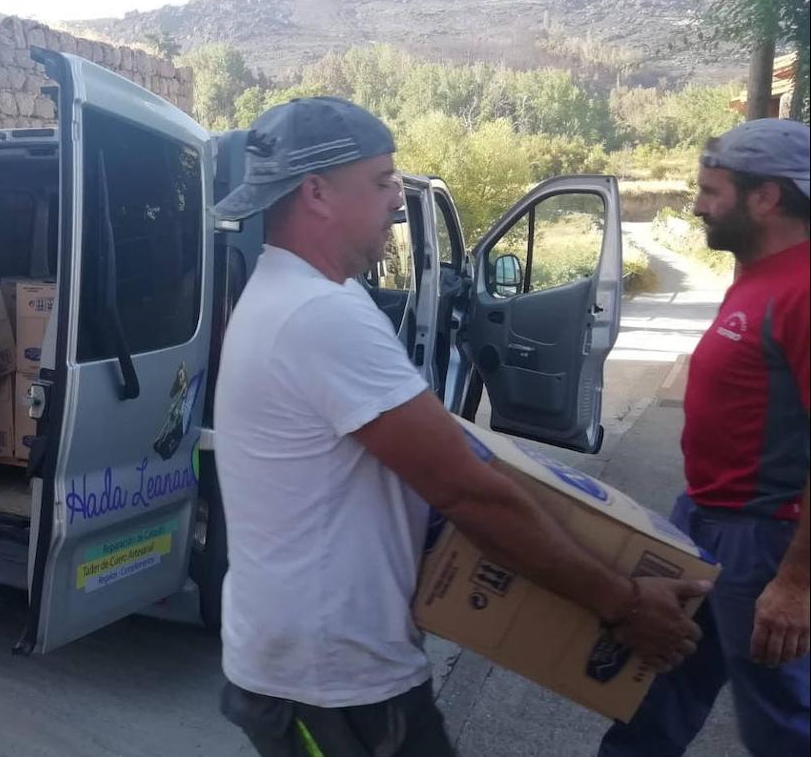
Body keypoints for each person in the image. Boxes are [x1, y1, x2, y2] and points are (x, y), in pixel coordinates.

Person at [210, 97, 713, 757]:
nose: (396, 200)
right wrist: (622, 603)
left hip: (326, 668)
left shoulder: (301, 295)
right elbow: (467, 491)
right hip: (330, 683)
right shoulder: (316, 314)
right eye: (383, 180)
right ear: (317, 193)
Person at [598, 119, 810, 757]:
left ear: (766, 198)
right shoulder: (760, 275)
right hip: (706, 524)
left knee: (784, 725)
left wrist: (796, 582)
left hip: (764, 538)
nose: (697, 206)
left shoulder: (802, 290)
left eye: (712, 191)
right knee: (654, 688)